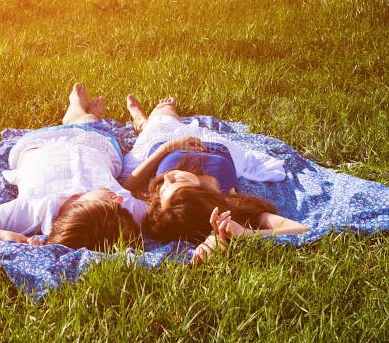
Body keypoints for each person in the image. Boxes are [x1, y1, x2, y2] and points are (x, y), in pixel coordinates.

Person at [0, 84, 193, 252]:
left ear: (80, 204)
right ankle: (87, 115)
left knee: (80, 117)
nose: (120, 197)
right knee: (88, 122)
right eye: (119, 201)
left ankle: (75, 112)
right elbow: (129, 187)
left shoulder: (31, 210)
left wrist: (1, 234)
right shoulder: (118, 210)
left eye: (113, 199)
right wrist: (164, 150)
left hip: (42, 141)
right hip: (98, 141)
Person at [121, 95, 308, 263]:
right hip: (216, 143)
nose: (167, 177)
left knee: (163, 115)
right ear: (199, 193)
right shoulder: (230, 201)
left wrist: (168, 147)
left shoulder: (167, 201)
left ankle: (142, 121)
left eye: (162, 188)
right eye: (176, 182)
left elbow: (126, 187)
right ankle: (143, 123)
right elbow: (301, 230)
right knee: (168, 112)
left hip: (164, 142)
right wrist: (245, 234)